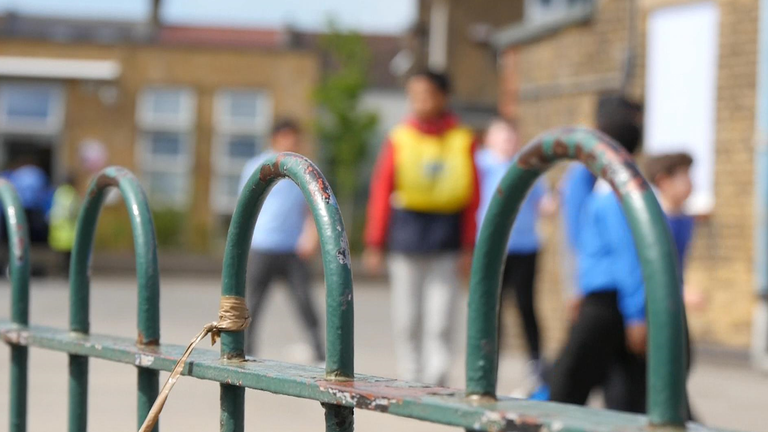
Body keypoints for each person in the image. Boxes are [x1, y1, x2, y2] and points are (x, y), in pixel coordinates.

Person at [363, 70, 480, 386]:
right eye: (414, 95)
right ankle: (410, 373)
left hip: (447, 235)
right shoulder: (399, 137)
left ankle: (437, 373)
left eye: (426, 94)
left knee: (442, 314)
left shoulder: (463, 139)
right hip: (406, 233)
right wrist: (375, 242)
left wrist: (470, 246)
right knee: (407, 314)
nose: (419, 102)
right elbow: (381, 190)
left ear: (443, 97)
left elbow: (473, 198)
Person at [548, 94, 648, 412]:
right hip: (602, 297)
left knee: (573, 386)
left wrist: (636, 314)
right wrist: (575, 288)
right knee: (583, 383)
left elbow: (628, 257)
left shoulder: (612, 189)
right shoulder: (589, 181)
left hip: (609, 299)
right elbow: (577, 239)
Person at [475, 118, 556, 392]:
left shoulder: (527, 166)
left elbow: (544, 202)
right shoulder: (481, 164)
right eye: (503, 138)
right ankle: (487, 364)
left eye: (512, 138)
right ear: (490, 140)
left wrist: (552, 203)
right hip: (491, 248)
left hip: (525, 247)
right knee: (490, 307)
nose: (509, 143)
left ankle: (536, 363)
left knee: (525, 305)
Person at [239, 119, 324, 364]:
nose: (292, 142)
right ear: (276, 138)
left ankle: (320, 352)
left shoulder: (304, 168)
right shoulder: (256, 166)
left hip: (292, 248)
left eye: (296, 137)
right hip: (262, 244)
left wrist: (311, 235)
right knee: (252, 303)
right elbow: (244, 206)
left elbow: (312, 207)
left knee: (305, 302)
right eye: (287, 136)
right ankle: (245, 350)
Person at [48, 175, 80, 276]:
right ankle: (68, 273)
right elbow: (74, 211)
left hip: (57, 227)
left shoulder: (59, 192)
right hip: (68, 229)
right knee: (69, 255)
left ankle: (58, 272)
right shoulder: (71, 194)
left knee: (59, 254)